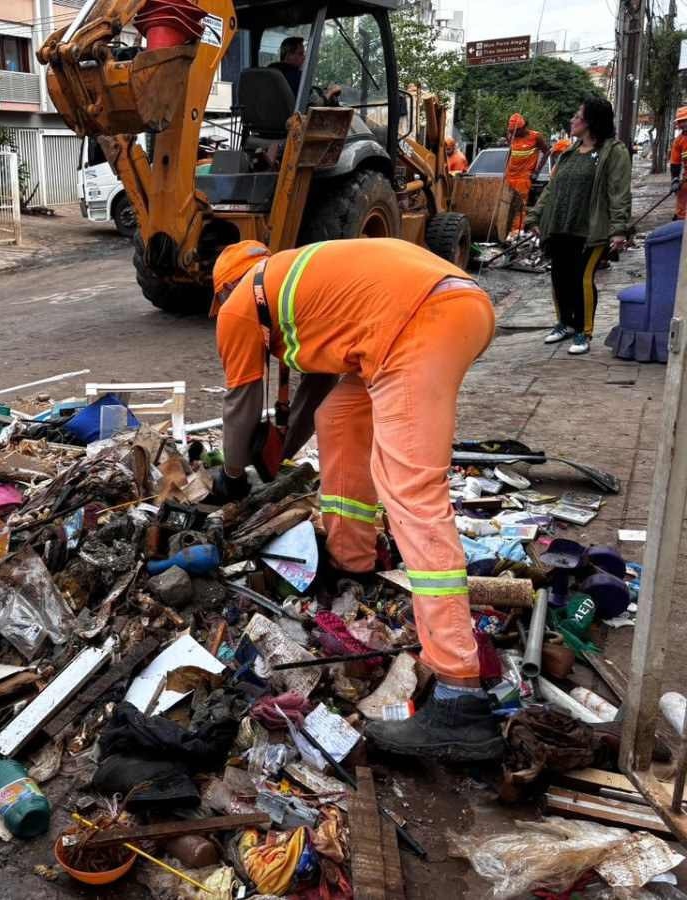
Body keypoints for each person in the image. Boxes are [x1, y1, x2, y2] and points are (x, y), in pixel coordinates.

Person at [212, 238, 501, 761]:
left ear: (226, 288)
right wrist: (277, 464)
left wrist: (232, 477)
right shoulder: (304, 289)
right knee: (341, 418)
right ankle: (353, 559)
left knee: (413, 494)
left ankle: (461, 697)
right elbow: (312, 399)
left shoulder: (239, 305)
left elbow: (241, 403)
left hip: (417, 323)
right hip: (449, 306)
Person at [526, 98, 631, 356]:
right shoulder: (570, 153)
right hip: (561, 226)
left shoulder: (613, 151)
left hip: (591, 229)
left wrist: (619, 229)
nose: (572, 120)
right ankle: (565, 323)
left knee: (582, 279)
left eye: (577, 116)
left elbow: (619, 192)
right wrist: (535, 217)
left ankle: (584, 331)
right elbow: (552, 189)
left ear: (591, 121)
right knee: (559, 277)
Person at [504, 113, 550, 233]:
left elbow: (546, 152)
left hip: (523, 177)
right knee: (506, 205)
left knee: (519, 206)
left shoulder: (535, 137)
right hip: (509, 176)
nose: (514, 133)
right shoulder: (511, 135)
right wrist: (504, 170)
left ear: (523, 127)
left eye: (516, 131)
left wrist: (537, 172)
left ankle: (516, 232)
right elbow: (510, 153)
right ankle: (505, 231)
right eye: (511, 130)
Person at [269, 35, 340, 105]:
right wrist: (330, 92)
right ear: (289, 55)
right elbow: (315, 104)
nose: (304, 58)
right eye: (300, 54)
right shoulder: (297, 77)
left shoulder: (269, 73)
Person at [669, 107, 687, 220]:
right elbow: (675, 163)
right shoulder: (679, 141)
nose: (682, 124)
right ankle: (680, 220)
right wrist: (675, 180)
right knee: (682, 193)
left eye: (684, 120)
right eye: (680, 121)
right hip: (686, 179)